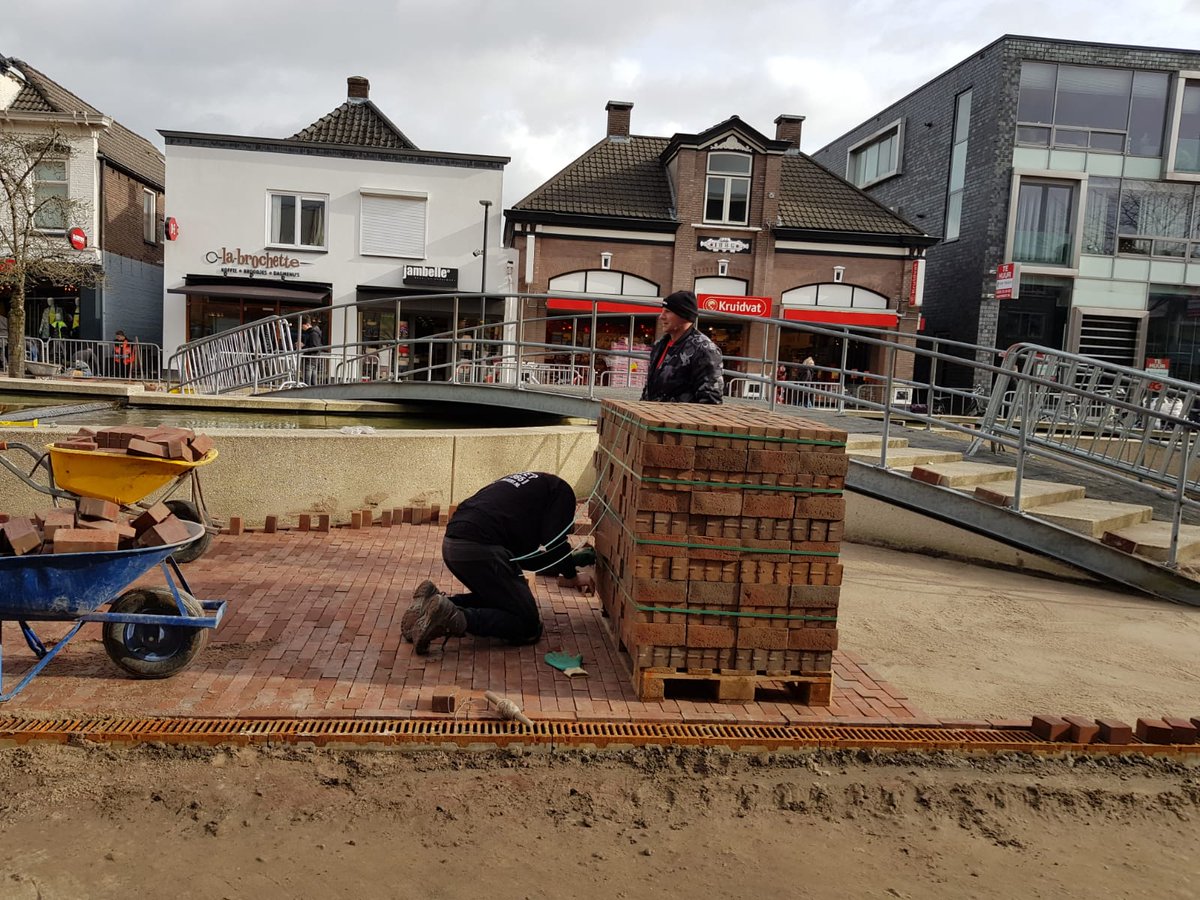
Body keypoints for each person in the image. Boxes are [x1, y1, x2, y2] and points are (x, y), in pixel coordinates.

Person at [404, 472, 595, 655]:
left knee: (500, 597)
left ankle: (430, 604)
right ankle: (452, 618)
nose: (568, 529)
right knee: (527, 623)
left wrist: (566, 566)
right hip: (480, 547)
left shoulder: (531, 491)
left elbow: (526, 559)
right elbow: (556, 542)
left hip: (453, 544)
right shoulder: (563, 493)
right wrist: (572, 576)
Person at [639, 290, 724, 404]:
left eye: (667, 312)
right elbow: (649, 390)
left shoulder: (705, 349)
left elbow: (710, 401)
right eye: (662, 311)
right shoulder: (659, 345)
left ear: (684, 316)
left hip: (679, 420)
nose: (661, 317)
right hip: (653, 418)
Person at [299, 317, 323, 385]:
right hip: (313, 359)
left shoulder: (313, 333)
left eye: (302, 326)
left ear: (306, 324)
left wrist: (303, 346)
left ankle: (308, 392)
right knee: (312, 379)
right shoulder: (314, 332)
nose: (301, 328)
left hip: (310, 359)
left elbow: (315, 347)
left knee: (308, 379)